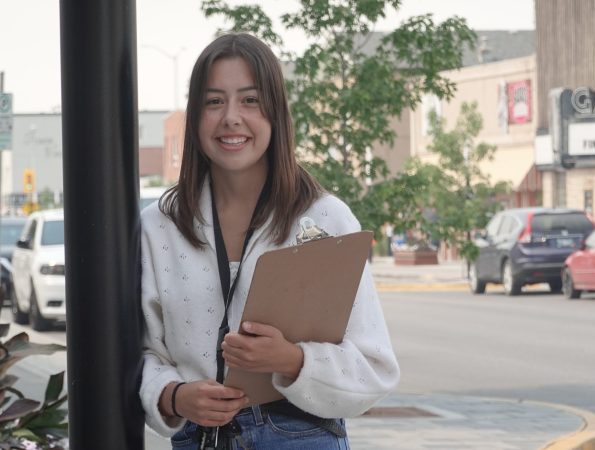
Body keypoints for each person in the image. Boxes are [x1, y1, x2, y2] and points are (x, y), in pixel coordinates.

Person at [139, 33, 400, 449]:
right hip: (199, 438)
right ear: (195, 116)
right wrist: (173, 396)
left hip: (300, 434)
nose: (231, 118)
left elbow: (375, 368)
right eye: (213, 102)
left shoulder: (325, 218)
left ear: (275, 112)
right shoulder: (159, 227)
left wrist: (293, 361)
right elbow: (143, 354)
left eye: (249, 100)